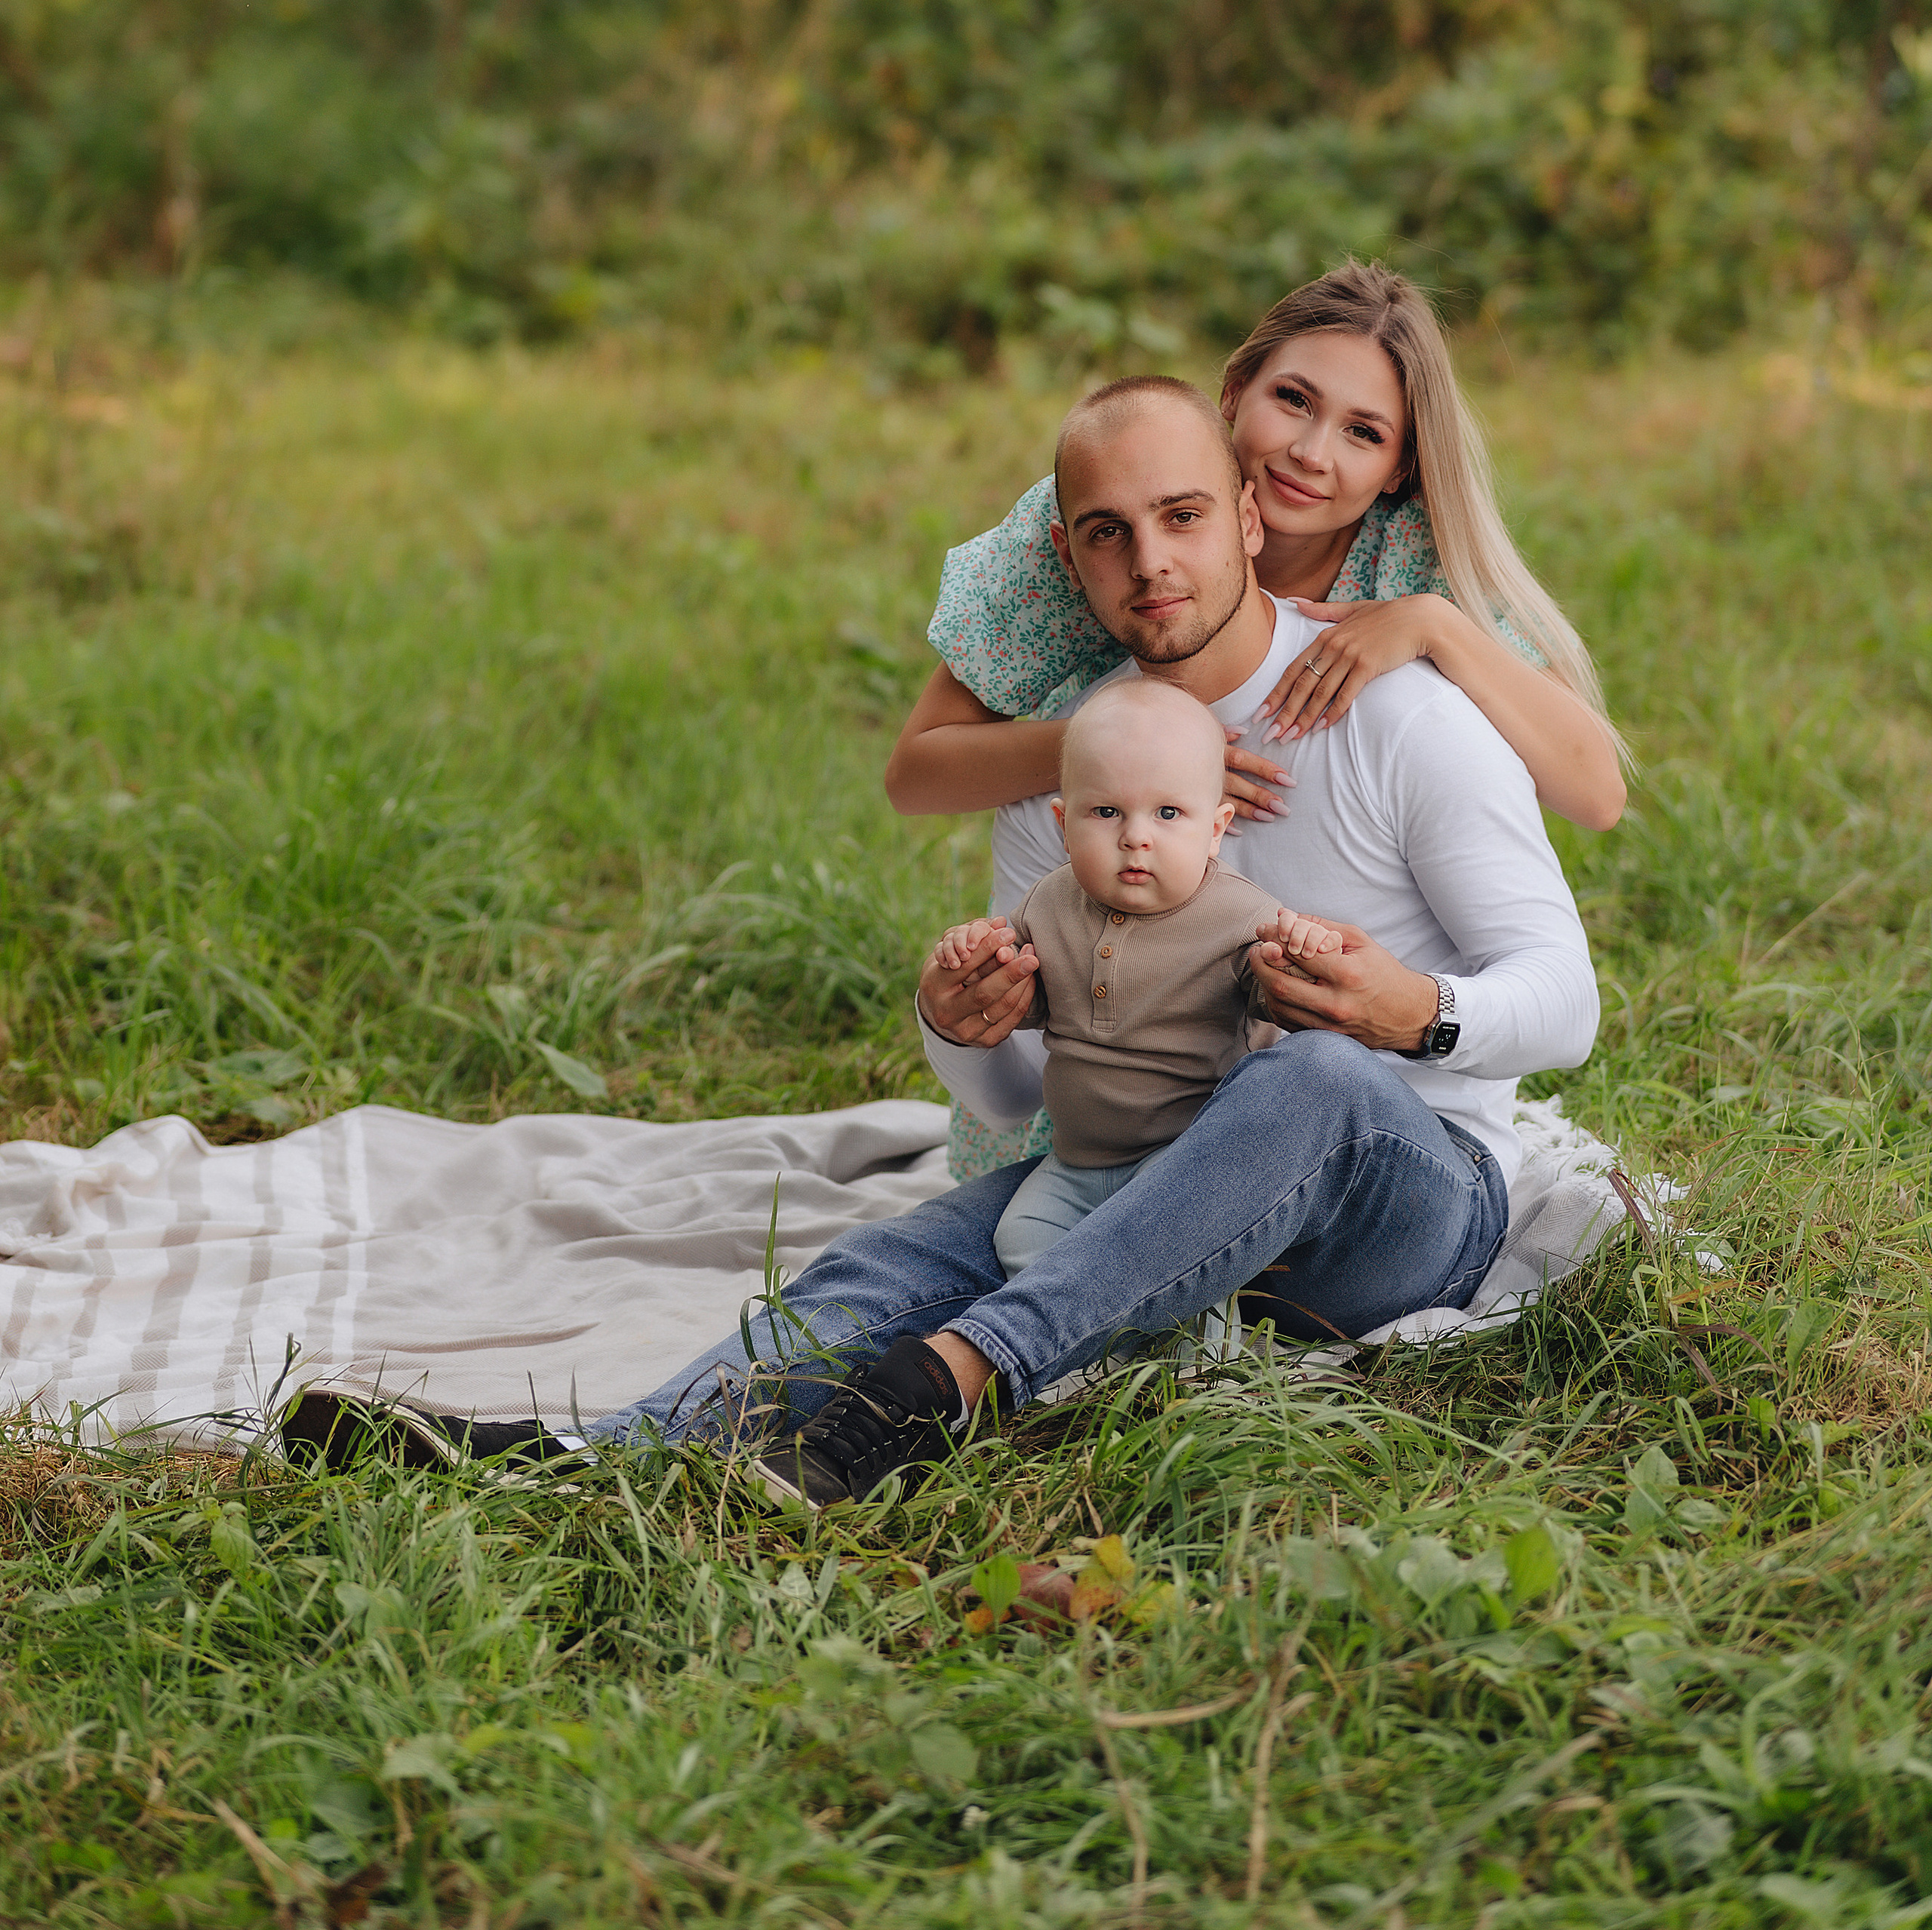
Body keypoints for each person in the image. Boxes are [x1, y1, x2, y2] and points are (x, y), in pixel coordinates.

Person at [282, 367, 1601, 1498]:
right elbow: (1025, 1096)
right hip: (1145, 1178)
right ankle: (592, 1457)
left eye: (1185, 516)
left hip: (1401, 1196)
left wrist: (1414, 1010)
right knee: (903, 1251)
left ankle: (957, 1378)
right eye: (1109, 533)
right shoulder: (1069, 770)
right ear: (1069, 559)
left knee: (1309, 1075)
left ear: (1250, 519)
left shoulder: (1400, 716)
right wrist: (964, 1028)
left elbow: (1568, 997)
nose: (1151, 562)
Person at [888, 257, 1626, 1182]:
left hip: (1323, 1088)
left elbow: (1594, 793)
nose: (1312, 452)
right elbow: (915, 772)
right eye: (1292, 399)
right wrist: (1134, 750)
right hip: (1108, 1050)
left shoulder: (1411, 564)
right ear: (1234, 391)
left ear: (1399, 466)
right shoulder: (1109, 501)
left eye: (1363, 431)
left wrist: (1435, 626)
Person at [958, 680, 1312, 1278]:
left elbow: (1284, 995)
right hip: (1075, 1164)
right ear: (1064, 824)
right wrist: (976, 954)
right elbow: (1017, 989)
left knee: (1179, 1246)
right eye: (1107, 812)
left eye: (1168, 813)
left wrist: (1299, 955)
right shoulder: (1050, 902)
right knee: (1019, 1238)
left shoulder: (1243, 917)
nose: (1135, 837)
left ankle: (1192, 1330)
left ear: (1216, 829)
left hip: (1182, 1158)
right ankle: (1084, 1321)